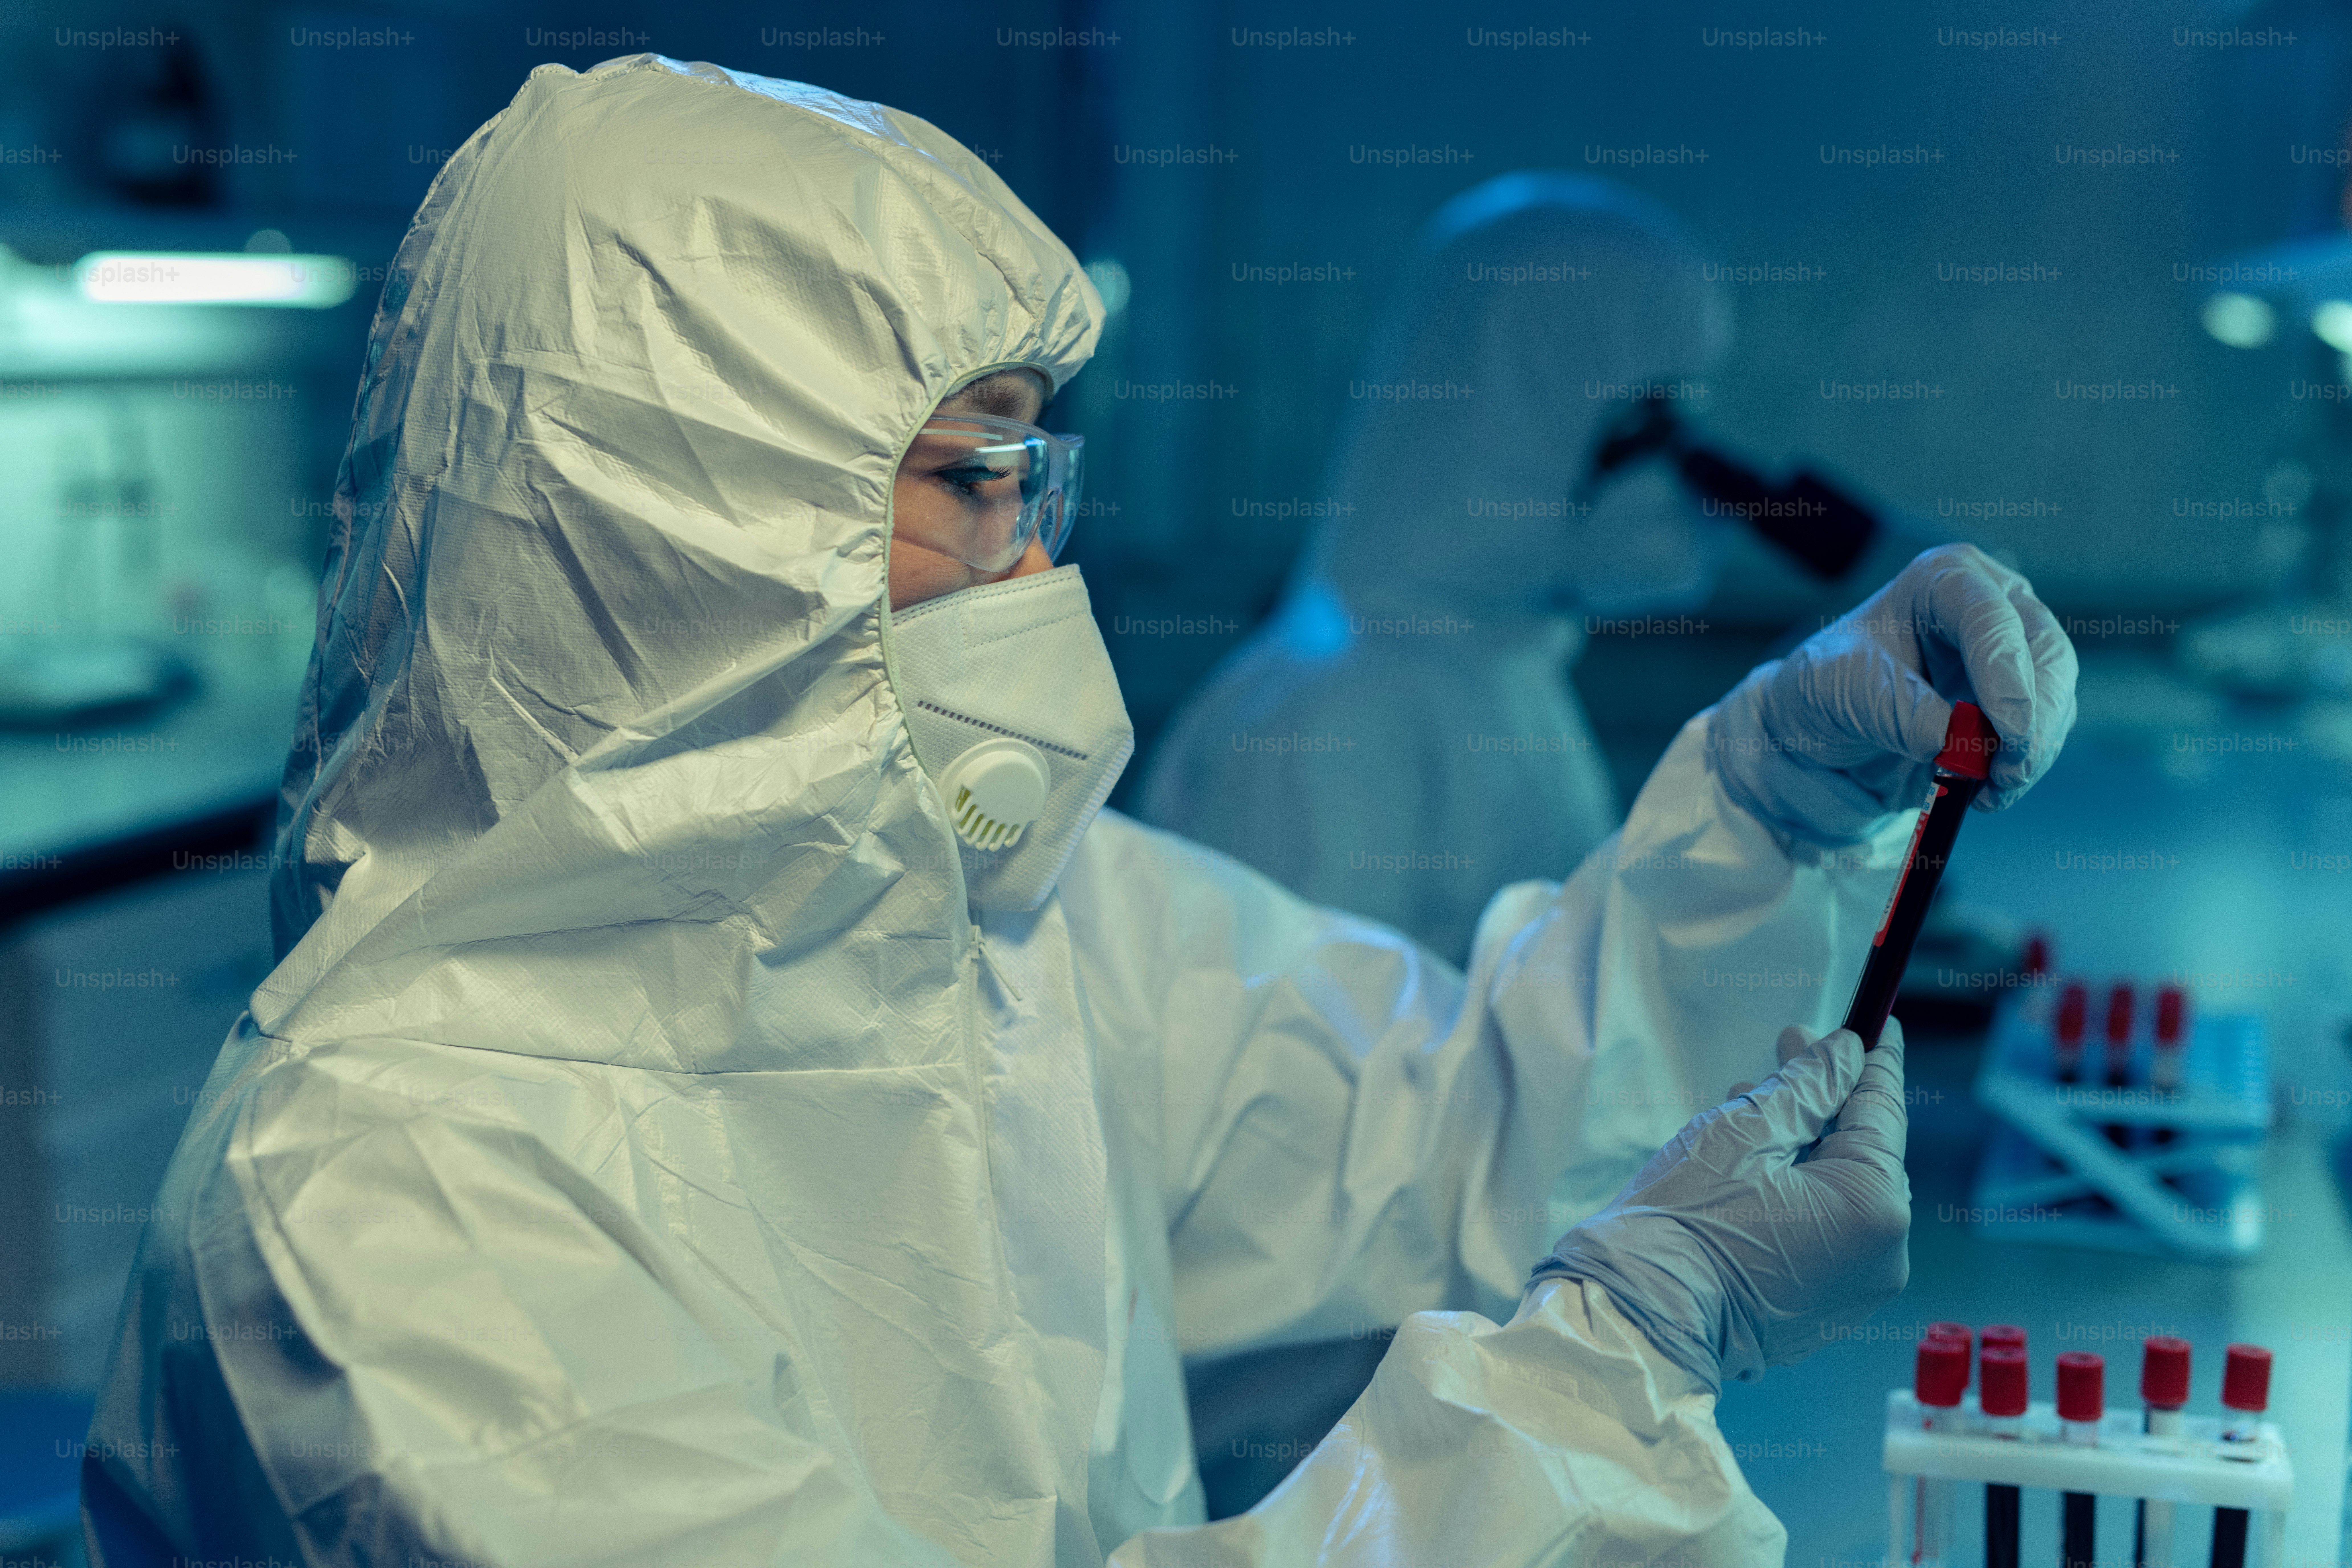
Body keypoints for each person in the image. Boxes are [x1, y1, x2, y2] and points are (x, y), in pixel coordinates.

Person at [79, 56, 2078, 1568]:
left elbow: (1456, 1134)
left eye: (1036, 484)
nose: (1035, 573)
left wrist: (1765, 807)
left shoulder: (979, 924)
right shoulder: (382, 1212)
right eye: (969, 482)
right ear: (679, 522)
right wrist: (1607, 1363)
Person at [1142, 173, 1732, 967]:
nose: (1679, 476)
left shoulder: (1508, 673)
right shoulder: (1331, 712)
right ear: (1520, 422)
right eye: (1649, 421)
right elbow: (1293, 1072)